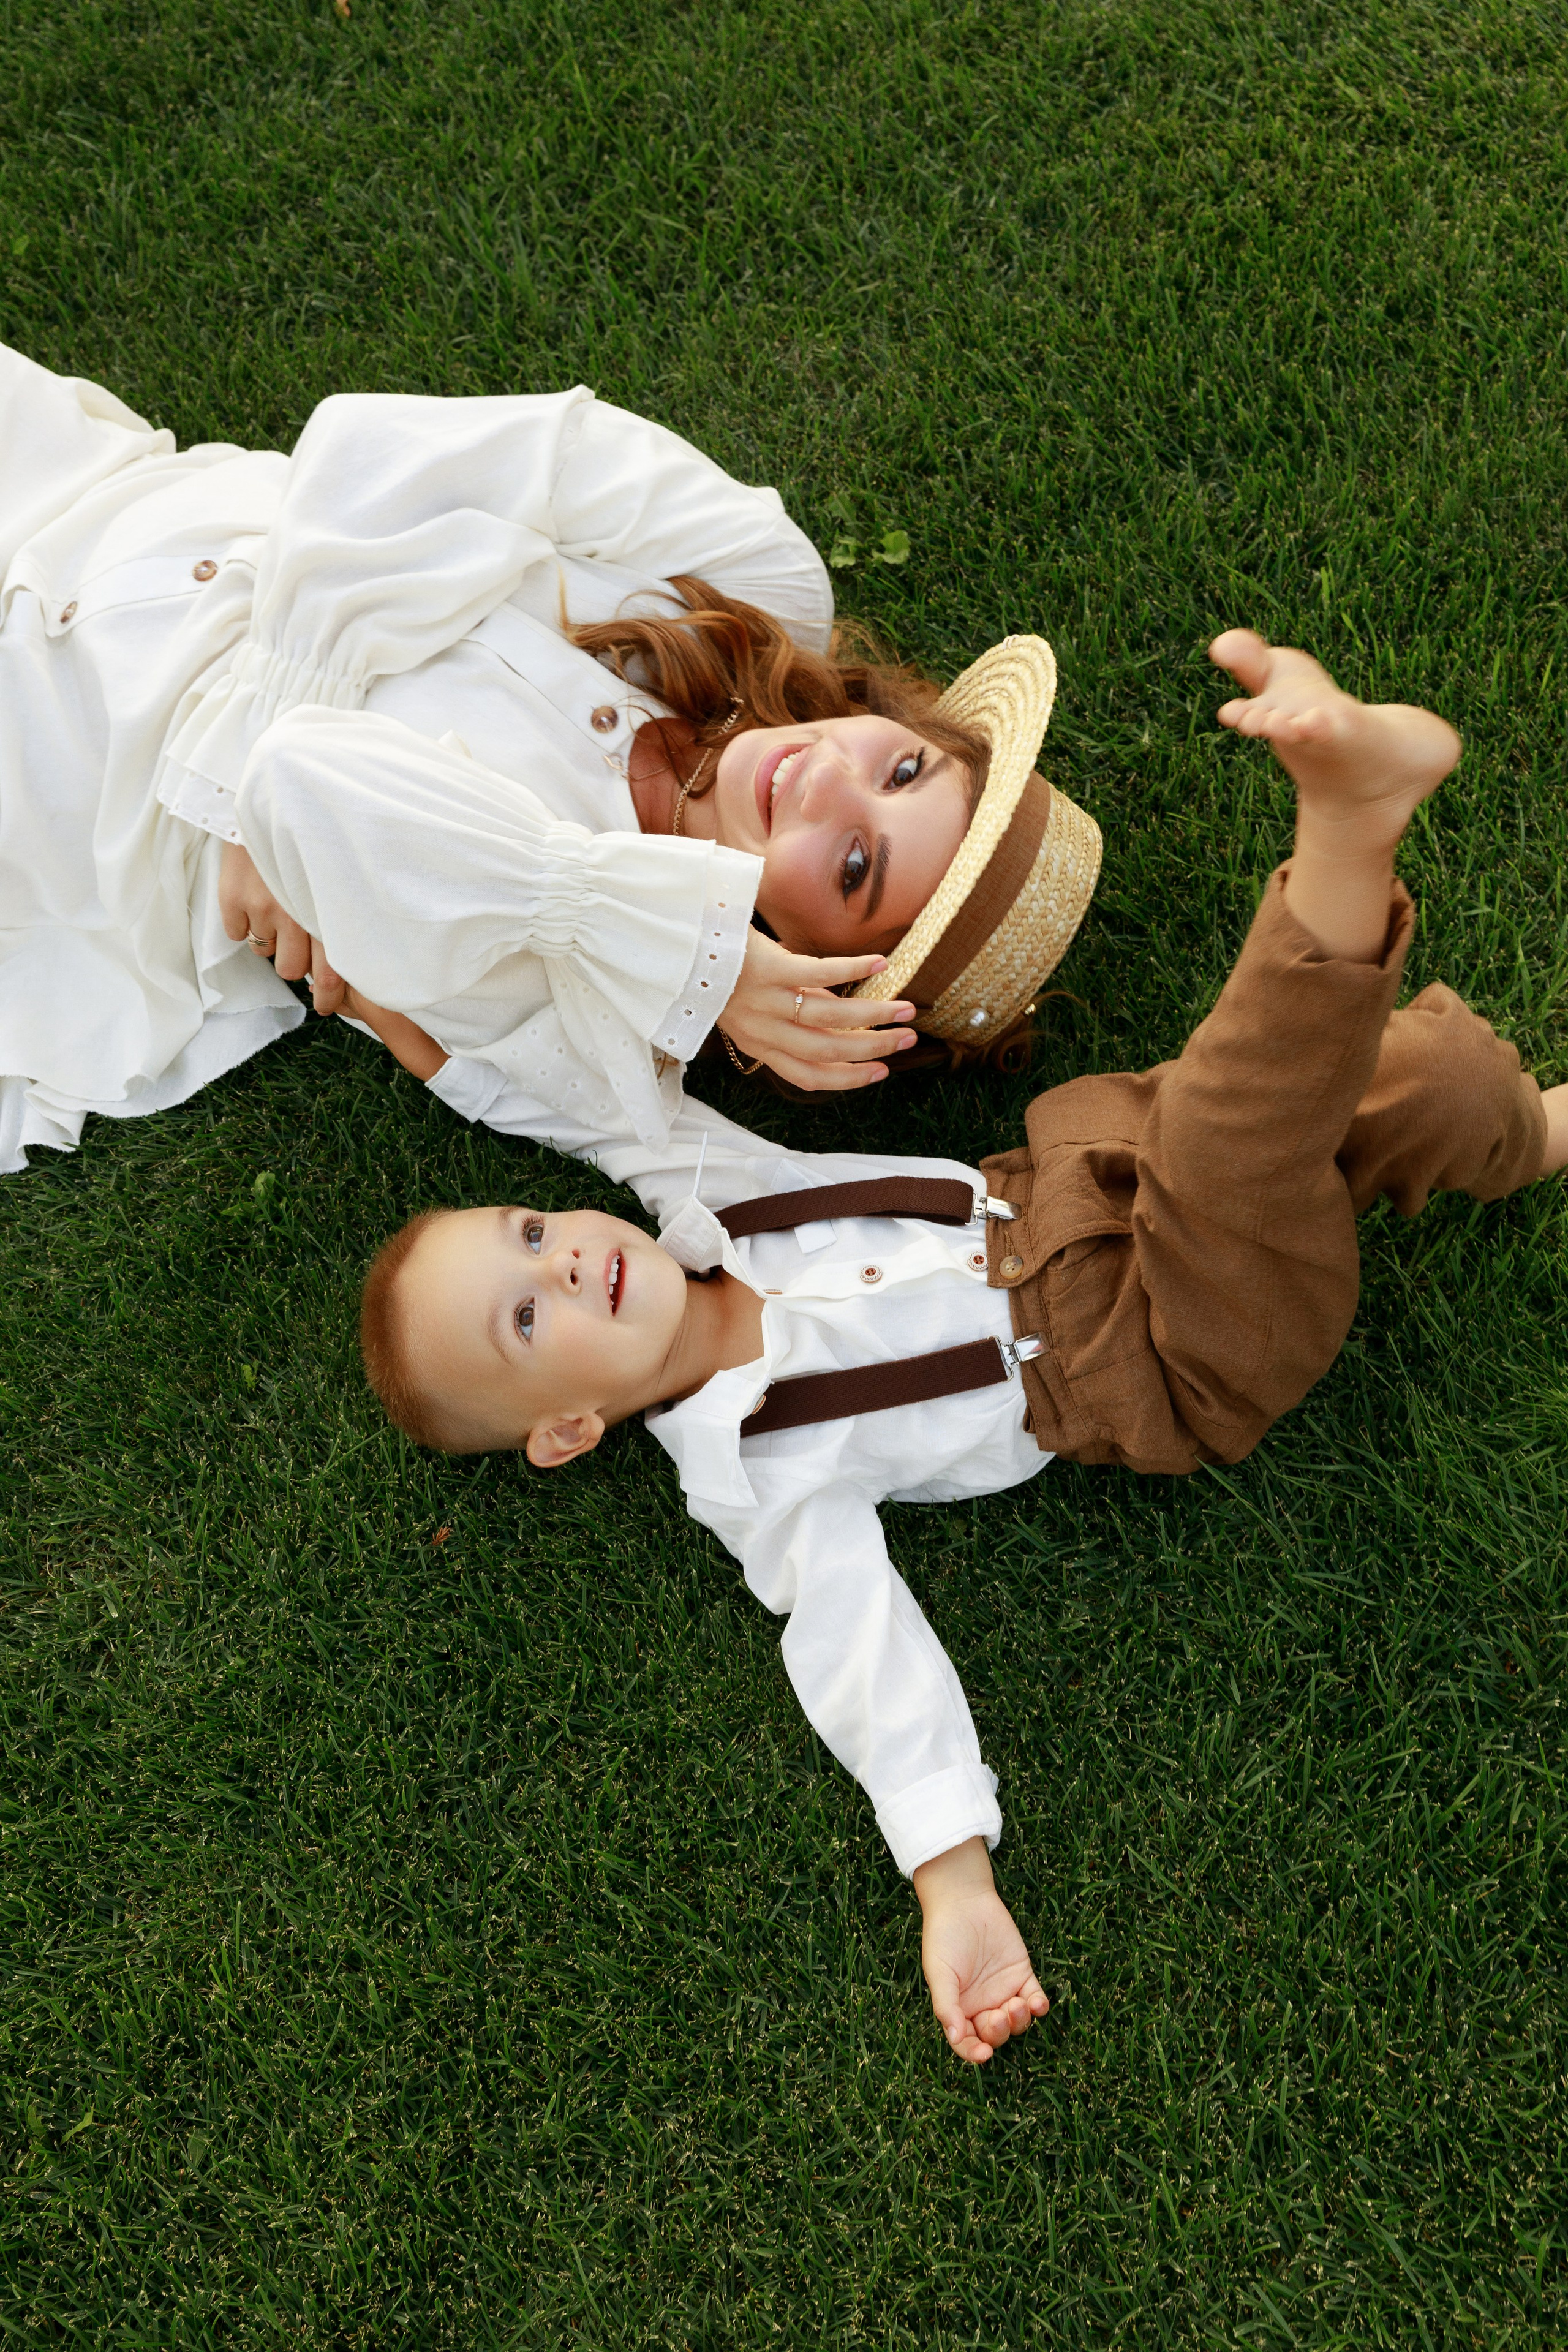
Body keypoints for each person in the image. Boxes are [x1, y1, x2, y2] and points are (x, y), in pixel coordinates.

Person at [350, 633, 1562, 2065]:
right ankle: (1346, 839)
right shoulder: (754, 1468)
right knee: (1250, 1125)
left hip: (1092, 1169)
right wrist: (951, 1878)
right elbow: (863, 1658)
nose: (561, 1259)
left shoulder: (699, 1201)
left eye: (526, 1232)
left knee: (1397, 1086)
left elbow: (556, 1103)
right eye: (526, 1316)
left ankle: (1529, 1131)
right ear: (566, 1433)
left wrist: (393, 1016)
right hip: (1158, 1345)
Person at [0, 341, 1099, 1175]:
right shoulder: (760, 580)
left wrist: (678, 949)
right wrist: (241, 777)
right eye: (903, 771)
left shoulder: (571, 986)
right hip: (97, 494)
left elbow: (301, 776)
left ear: (812, 967)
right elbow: (377, 445)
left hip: (57, 776)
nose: (830, 783)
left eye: (855, 867)